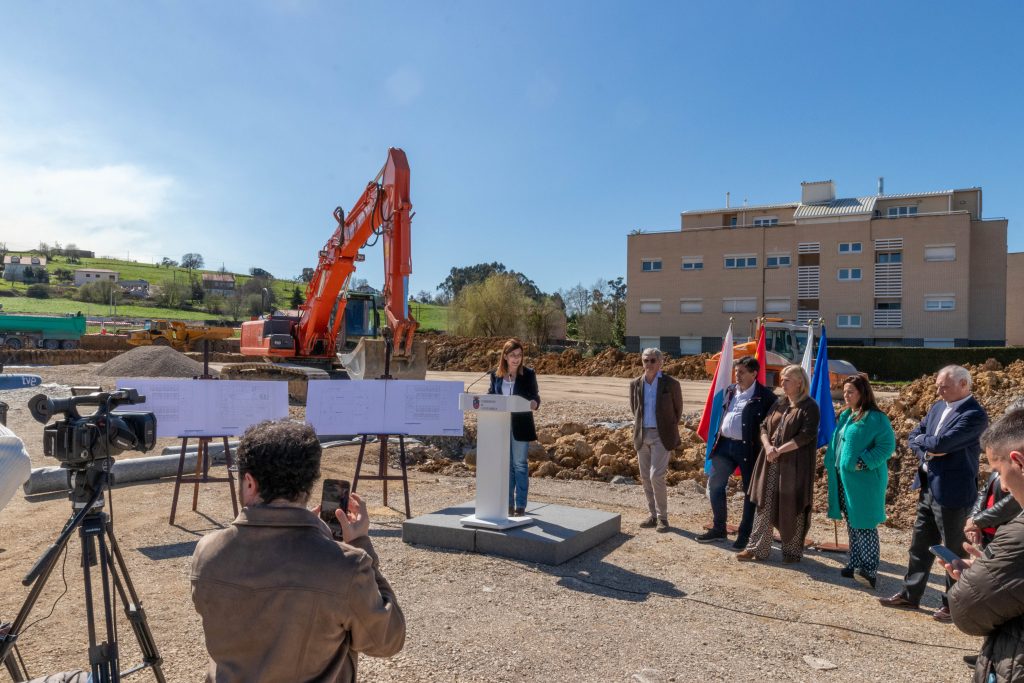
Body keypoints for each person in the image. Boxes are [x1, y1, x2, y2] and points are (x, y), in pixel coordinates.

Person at [190, 420, 405, 683]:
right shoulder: (347, 564)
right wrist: (358, 543)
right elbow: (386, 641)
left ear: (249, 482)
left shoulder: (207, 552)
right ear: (309, 482)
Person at [879, 365, 988, 623]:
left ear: (964, 385)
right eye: (938, 385)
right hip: (928, 485)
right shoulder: (938, 407)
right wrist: (928, 451)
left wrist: (929, 445)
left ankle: (953, 604)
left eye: (944, 386)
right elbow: (914, 436)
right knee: (920, 544)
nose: (938, 390)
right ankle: (910, 593)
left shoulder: (974, 415)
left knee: (953, 550)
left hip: (954, 491)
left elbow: (943, 443)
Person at [941, 408, 1024, 683]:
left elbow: (967, 610)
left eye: (999, 472)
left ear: (1019, 463)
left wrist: (975, 577)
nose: (1003, 485)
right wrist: (986, 568)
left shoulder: (1018, 535)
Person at [737, 364, 820, 564]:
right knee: (764, 503)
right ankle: (757, 548)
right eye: (781, 379)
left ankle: (791, 552)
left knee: (792, 505)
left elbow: (806, 436)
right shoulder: (779, 403)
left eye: (787, 379)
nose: (782, 382)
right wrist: (767, 447)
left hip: (794, 466)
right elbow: (764, 426)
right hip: (770, 462)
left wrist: (779, 450)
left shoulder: (809, 406)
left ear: (800, 382)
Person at [696, 356, 775, 548]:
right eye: (736, 371)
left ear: (754, 373)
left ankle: (745, 533)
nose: (737, 375)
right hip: (723, 445)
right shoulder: (731, 391)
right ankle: (719, 528)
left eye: (742, 372)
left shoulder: (766, 397)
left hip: (749, 449)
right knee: (715, 485)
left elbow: (769, 425)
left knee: (749, 492)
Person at [825, 375, 896, 589]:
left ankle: (869, 569)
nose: (846, 396)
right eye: (845, 391)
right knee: (852, 521)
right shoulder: (848, 415)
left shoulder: (875, 418)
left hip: (865, 481)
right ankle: (855, 562)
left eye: (851, 392)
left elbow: (886, 446)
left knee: (864, 523)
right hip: (845, 479)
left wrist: (862, 463)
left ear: (863, 393)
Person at [630, 347, 683, 531]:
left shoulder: (671, 384)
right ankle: (652, 515)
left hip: (662, 436)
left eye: (653, 360)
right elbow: (635, 409)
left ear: (660, 362)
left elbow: (678, 411)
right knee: (645, 477)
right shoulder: (636, 383)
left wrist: (667, 427)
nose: (649, 364)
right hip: (642, 435)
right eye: (646, 360)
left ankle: (663, 518)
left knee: (656, 476)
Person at [487, 338, 540, 516]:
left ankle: (521, 505)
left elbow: (535, 396)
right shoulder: (496, 375)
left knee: (520, 465)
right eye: (512, 355)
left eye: (519, 355)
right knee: (507, 465)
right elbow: (491, 396)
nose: (516, 359)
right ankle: (508, 504)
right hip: (501, 424)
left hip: (521, 424)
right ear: (505, 356)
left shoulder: (528, 374)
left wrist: (534, 403)